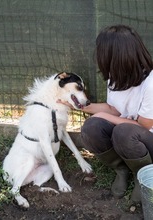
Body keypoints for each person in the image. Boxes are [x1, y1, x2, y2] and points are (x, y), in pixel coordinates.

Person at [57, 24, 153, 203]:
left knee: (123, 131)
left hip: (148, 141)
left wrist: (106, 117)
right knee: (92, 127)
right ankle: (121, 169)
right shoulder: (116, 77)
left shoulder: (151, 83)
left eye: (103, 53)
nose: (99, 58)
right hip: (130, 136)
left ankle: (143, 176)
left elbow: (144, 125)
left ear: (117, 57)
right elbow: (113, 109)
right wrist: (79, 106)